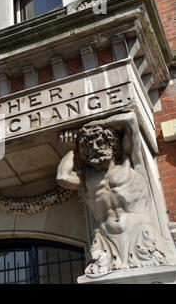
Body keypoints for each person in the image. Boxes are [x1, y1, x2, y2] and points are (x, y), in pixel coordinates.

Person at [57, 112, 174, 275]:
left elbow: (131, 119)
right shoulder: (88, 178)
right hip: (106, 241)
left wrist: (98, 122)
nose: (95, 149)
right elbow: (63, 177)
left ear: (113, 145)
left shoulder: (131, 164)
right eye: (89, 147)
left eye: (100, 143)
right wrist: (71, 149)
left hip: (140, 235)